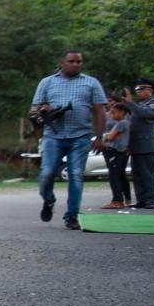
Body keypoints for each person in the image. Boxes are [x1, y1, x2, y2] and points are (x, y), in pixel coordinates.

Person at [31, 49, 106, 231]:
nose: (75, 64)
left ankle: (71, 215)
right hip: (53, 136)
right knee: (47, 173)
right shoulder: (47, 82)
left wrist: (100, 137)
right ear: (62, 63)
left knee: (76, 176)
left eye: (79, 61)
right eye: (71, 61)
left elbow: (99, 111)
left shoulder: (91, 83)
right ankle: (48, 200)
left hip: (80, 136)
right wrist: (44, 110)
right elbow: (33, 111)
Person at [127, 77, 154, 209]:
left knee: (148, 174)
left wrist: (131, 103)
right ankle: (142, 199)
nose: (138, 92)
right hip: (136, 145)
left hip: (147, 145)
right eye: (136, 90)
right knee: (137, 174)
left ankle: (152, 199)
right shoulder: (139, 105)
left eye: (141, 89)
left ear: (149, 90)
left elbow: (146, 114)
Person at [102, 99, 132, 209]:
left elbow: (110, 137)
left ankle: (117, 200)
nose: (111, 114)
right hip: (119, 152)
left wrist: (105, 137)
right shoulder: (121, 123)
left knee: (114, 176)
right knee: (118, 175)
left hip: (116, 152)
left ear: (122, 112)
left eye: (114, 112)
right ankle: (122, 198)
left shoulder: (122, 123)